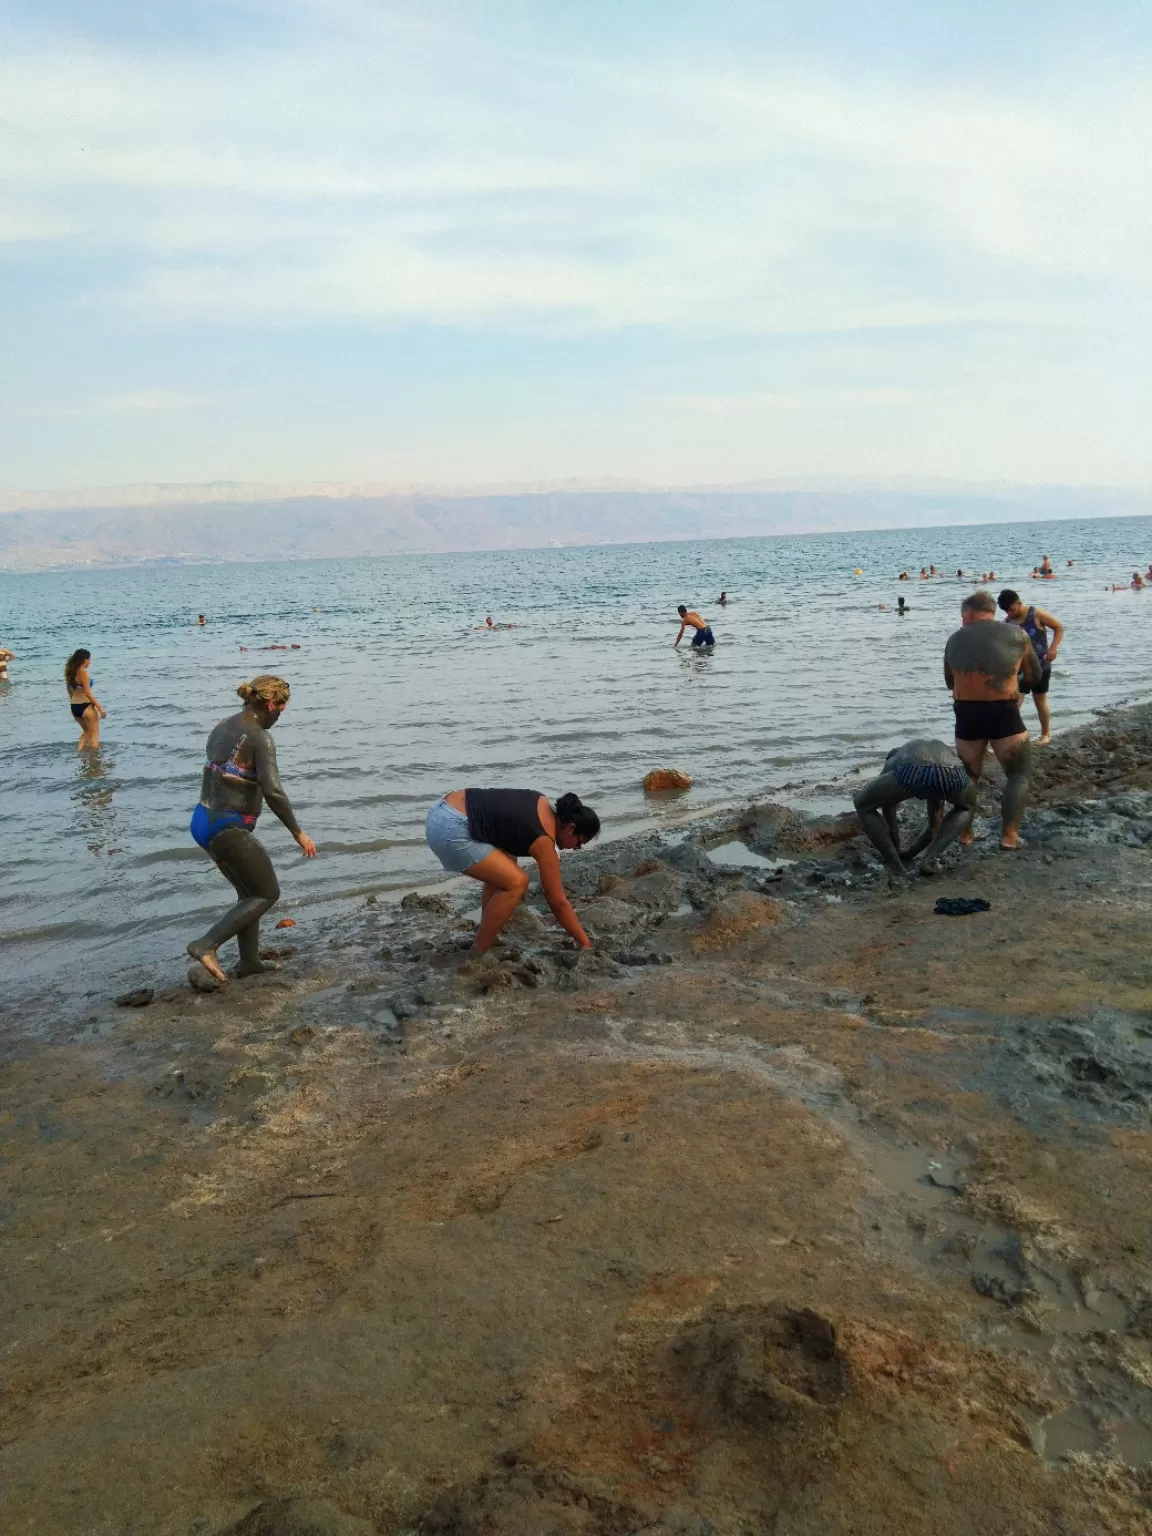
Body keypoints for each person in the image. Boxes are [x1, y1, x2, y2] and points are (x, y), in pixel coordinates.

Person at [186, 675, 316, 984]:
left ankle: (248, 962)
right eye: (281, 709)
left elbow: (226, 773)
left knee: (248, 894)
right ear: (271, 704)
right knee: (266, 893)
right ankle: (205, 944)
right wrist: (298, 832)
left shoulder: (222, 725)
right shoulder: (259, 737)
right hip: (228, 827)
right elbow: (274, 792)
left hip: (203, 819)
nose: (280, 716)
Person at [425, 789, 600, 953]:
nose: (577, 848)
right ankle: (479, 951)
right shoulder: (544, 841)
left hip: (441, 809)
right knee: (517, 883)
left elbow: (505, 826)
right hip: (451, 828)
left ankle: (488, 932)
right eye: (580, 842)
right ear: (570, 828)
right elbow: (557, 901)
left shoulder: (541, 802)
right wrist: (584, 943)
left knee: (507, 866)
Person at [944, 591, 1039, 851]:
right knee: (1018, 774)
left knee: (968, 777)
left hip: (966, 713)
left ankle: (965, 835)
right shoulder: (1018, 636)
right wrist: (1017, 688)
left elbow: (949, 681)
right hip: (1003, 711)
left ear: (969, 614)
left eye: (962, 615)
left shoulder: (954, 639)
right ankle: (1009, 836)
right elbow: (1034, 675)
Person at [853, 740, 977, 883]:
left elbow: (888, 808)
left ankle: (895, 866)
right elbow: (934, 824)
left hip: (914, 770)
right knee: (966, 807)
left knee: (862, 804)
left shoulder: (893, 759)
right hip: (953, 773)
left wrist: (895, 850)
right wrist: (910, 853)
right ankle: (929, 859)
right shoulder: (930, 747)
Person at [998, 589, 1064, 745]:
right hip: (1019, 670)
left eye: (1012, 609)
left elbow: (1059, 627)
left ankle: (1045, 734)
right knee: (1015, 703)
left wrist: (1053, 648)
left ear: (1018, 603)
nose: (1010, 613)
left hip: (1041, 665)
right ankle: (1013, 738)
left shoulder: (1036, 614)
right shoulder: (1007, 624)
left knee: (1039, 700)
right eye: (1006, 611)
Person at [64, 648, 106, 751]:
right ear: (84, 660)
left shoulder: (70, 672)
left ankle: (80, 753)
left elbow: (69, 690)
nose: (90, 662)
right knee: (94, 734)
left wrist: (74, 702)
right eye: (89, 659)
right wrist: (100, 708)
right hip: (86, 706)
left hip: (74, 707)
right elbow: (88, 693)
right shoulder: (84, 673)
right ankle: (95, 761)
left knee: (87, 732)